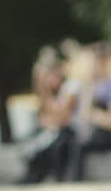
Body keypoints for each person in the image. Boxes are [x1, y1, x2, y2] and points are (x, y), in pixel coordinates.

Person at [69, 42, 111, 181]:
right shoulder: (96, 85)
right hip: (100, 135)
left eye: (92, 61)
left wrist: (95, 115)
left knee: (77, 146)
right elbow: (84, 114)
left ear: (103, 61)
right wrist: (89, 85)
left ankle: (74, 183)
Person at [17, 48, 77, 184]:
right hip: (55, 132)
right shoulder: (52, 93)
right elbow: (44, 119)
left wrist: (44, 91)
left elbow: (63, 117)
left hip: (69, 134)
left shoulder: (70, 87)